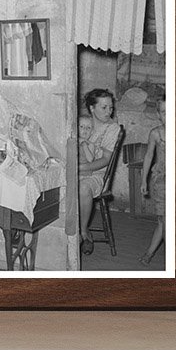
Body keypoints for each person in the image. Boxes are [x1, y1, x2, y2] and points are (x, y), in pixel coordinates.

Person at [77, 88, 120, 255]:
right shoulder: (83, 122)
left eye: (110, 107)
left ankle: (83, 231)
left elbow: (106, 160)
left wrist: (80, 168)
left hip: (98, 174)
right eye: (104, 107)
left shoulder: (112, 128)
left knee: (82, 188)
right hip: (78, 168)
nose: (109, 111)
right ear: (91, 108)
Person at [139, 91, 166, 266]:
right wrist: (143, 180)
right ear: (158, 114)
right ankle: (154, 254)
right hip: (162, 181)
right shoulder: (156, 134)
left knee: (168, 222)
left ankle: (152, 253)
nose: (168, 116)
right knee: (164, 220)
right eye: (164, 112)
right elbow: (149, 157)